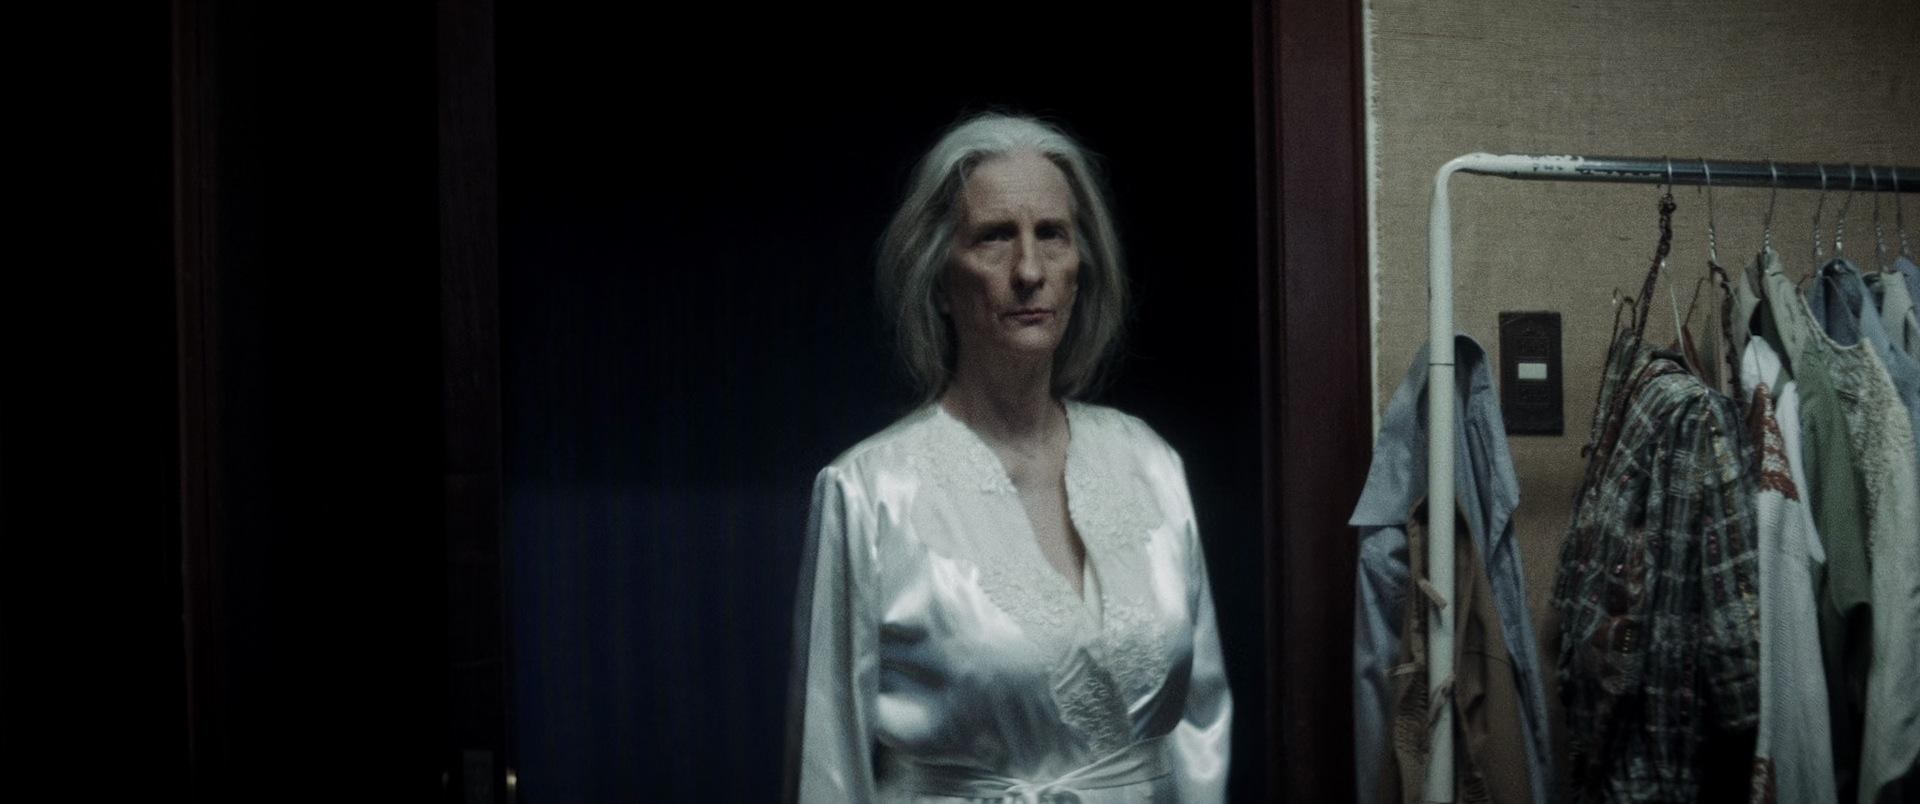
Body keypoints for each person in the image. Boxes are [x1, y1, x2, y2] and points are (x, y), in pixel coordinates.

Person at [783, 112, 1233, 802]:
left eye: (1052, 234)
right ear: (939, 277)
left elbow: (1200, 729)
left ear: (1081, 267)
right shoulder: (869, 492)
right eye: (994, 237)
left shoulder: (1148, 462)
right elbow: (827, 764)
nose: (1029, 270)